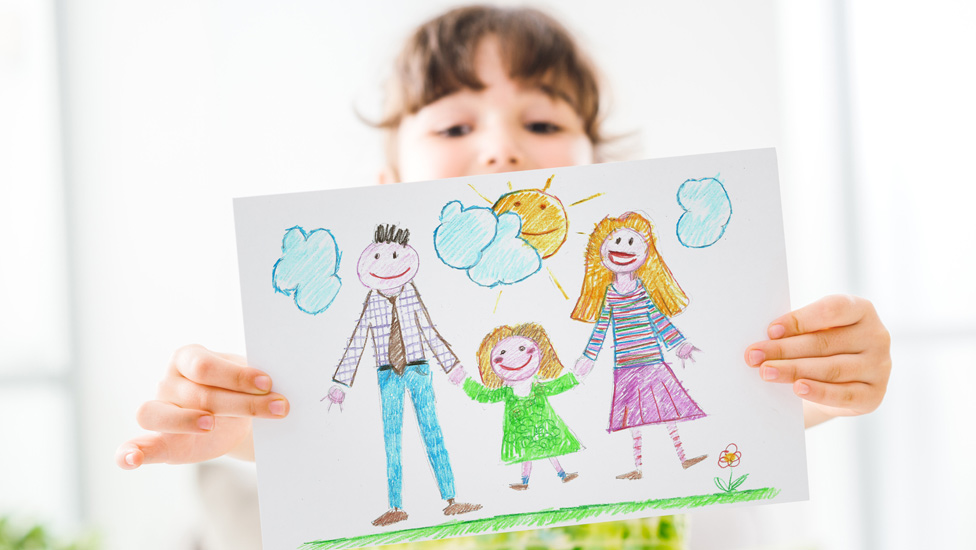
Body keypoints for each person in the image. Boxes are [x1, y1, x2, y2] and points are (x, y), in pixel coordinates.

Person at [116, 5, 892, 548]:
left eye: (545, 123)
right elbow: (347, 431)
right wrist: (254, 434)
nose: (500, 150)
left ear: (601, 177)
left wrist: (834, 374)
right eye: (455, 125)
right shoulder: (387, 307)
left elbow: (751, 403)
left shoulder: (616, 282)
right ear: (383, 191)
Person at [325, 223, 481, 526]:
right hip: (388, 373)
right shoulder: (372, 302)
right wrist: (341, 381)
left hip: (419, 368)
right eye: (379, 257)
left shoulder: (411, 296)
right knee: (392, 437)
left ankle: (451, 499)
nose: (387, 264)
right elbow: (359, 339)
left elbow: (429, 331)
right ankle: (395, 505)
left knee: (432, 431)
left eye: (395, 256)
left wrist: (452, 366)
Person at [571, 212, 708, 479]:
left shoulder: (643, 290)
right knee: (634, 419)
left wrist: (680, 344)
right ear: (601, 250)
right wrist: (588, 357)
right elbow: (600, 328)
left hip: (652, 361)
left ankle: (684, 457)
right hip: (625, 364)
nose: (623, 247)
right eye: (617, 240)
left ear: (646, 252)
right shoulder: (609, 294)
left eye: (632, 242)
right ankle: (637, 468)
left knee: (667, 411)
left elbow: (659, 319)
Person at [463, 323, 582, 490]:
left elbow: (559, 385)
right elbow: (484, 395)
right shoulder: (507, 392)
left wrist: (576, 374)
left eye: (521, 348)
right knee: (527, 455)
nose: (514, 357)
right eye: (502, 353)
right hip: (522, 433)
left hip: (544, 427)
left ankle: (562, 474)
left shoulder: (538, 387)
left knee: (549, 450)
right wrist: (463, 380)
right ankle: (525, 481)